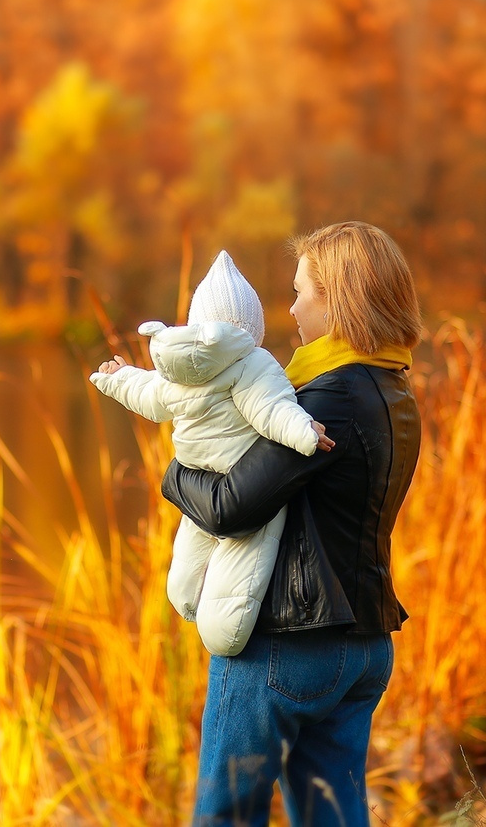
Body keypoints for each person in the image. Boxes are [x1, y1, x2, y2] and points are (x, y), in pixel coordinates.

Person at [160, 221, 423, 827]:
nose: (292, 308)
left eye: (301, 292)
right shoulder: (394, 389)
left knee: (226, 817)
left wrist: (174, 471)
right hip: (364, 643)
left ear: (338, 302)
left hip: (288, 643)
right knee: (333, 816)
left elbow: (229, 508)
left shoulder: (325, 401)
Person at [90, 249, 331, 656]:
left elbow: (147, 392)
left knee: (185, 574)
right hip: (240, 477)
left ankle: (185, 601)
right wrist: (305, 433)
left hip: (195, 480)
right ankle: (224, 636)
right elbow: (272, 408)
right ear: (251, 329)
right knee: (240, 571)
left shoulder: (177, 369)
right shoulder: (253, 364)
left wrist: (116, 379)